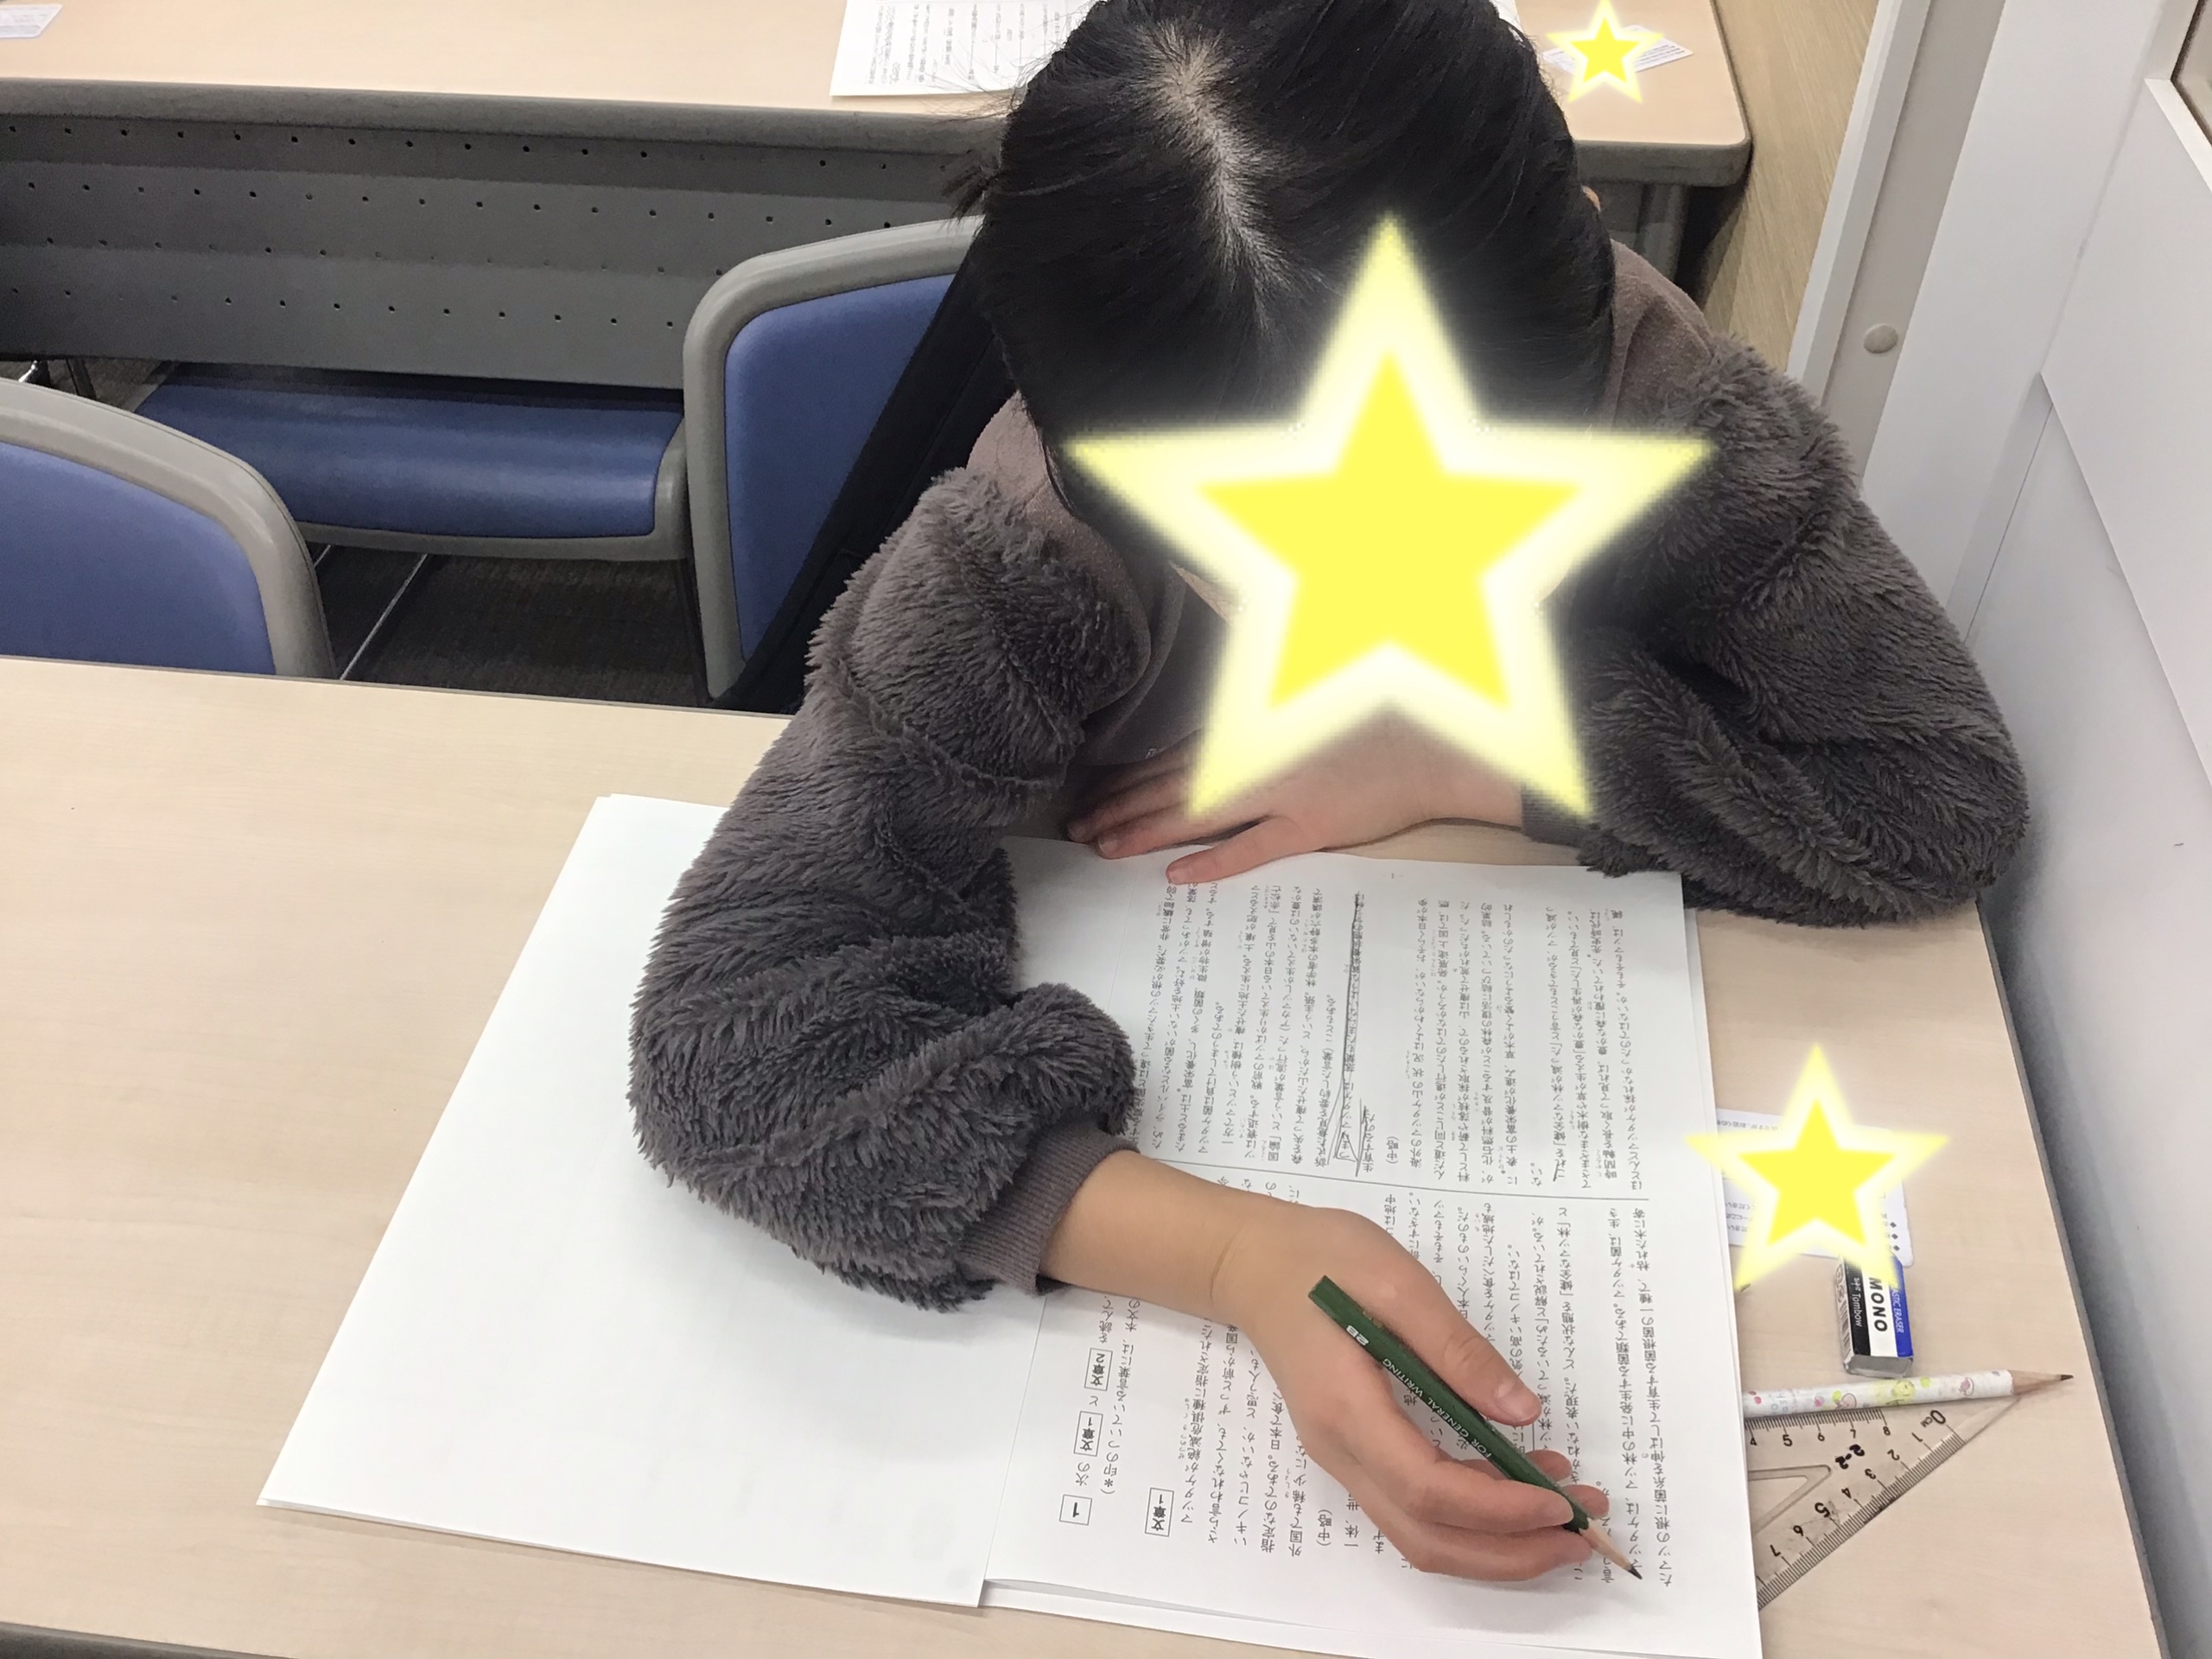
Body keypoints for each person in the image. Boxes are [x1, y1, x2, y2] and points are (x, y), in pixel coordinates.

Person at [630, 0, 2026, 1584]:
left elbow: (1933, 794)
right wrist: (1234, 1253)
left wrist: (1478, 757)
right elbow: (731, 1033)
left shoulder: (1678, 418)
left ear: (1584, 257)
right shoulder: (1031, 540)